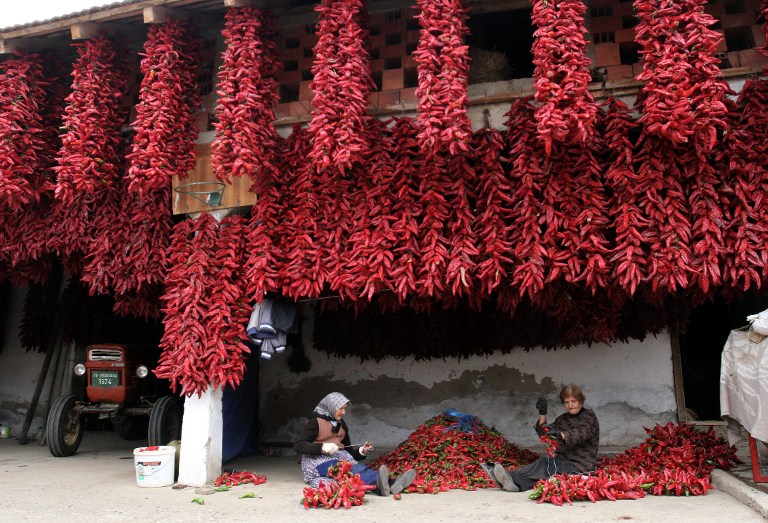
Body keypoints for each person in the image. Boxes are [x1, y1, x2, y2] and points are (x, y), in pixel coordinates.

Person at [294, 392, 416, 496]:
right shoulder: (315, 422)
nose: (344, 412)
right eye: (341, 408)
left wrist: (361, 451)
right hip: (317, 462)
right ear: (330, 407)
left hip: (337, 458)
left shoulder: (342, 425)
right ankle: (387, 484)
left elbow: (348, 450)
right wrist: (323, 447)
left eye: (344, 409)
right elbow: (299, 445)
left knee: (351, 473)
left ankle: (386, 485)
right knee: (352, 469)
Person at [488, 384, 600, 492]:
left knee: (544, 463)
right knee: (541, 475)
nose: (570, 405)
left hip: (580, 467)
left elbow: (581, 433)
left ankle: (509, 476)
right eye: (566, 402)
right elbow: (545, 433)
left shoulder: (588, 416)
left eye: (573, 401)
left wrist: (561, 435)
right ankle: (515, 485)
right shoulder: (562, 419)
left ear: (580, 400)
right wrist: (542, 414)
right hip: (562, 462)